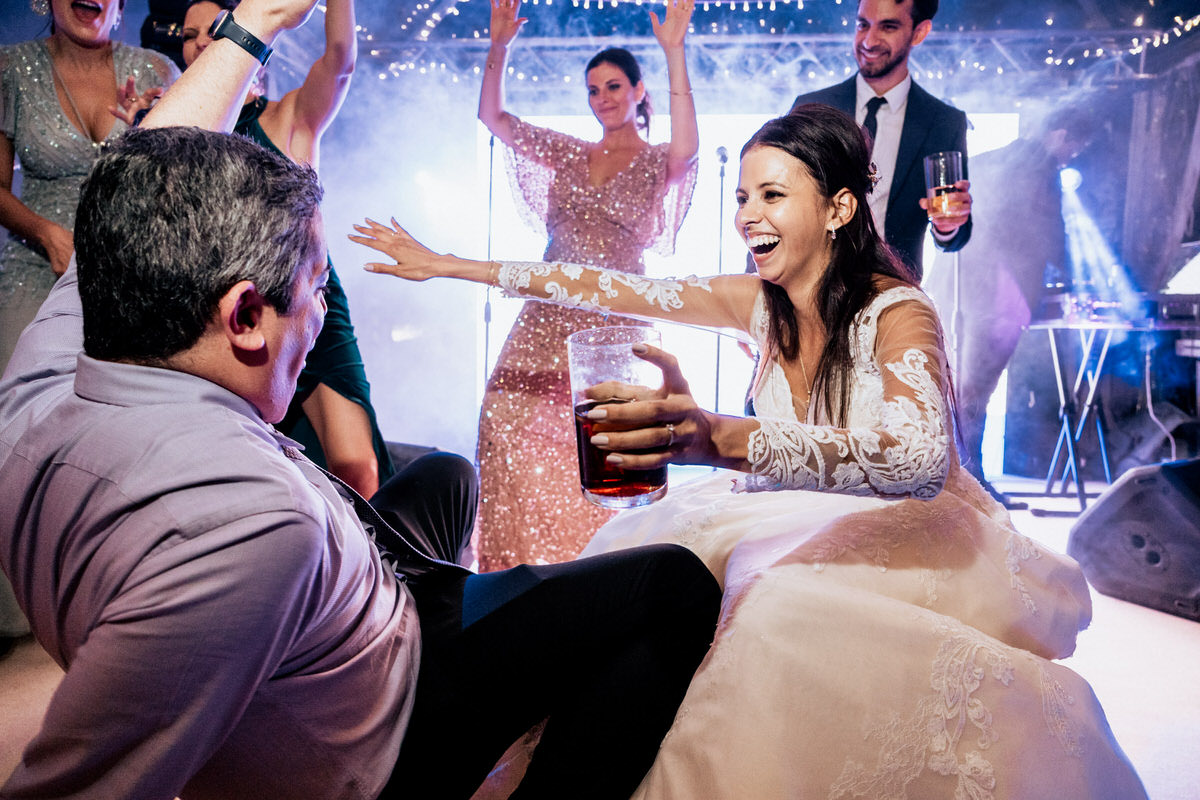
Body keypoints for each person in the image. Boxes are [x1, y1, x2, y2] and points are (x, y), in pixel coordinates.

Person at [0, 3, 721, 796]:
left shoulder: (39, 384)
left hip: (378, 592)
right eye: (315, 288)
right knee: (676, 587)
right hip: (400, 695)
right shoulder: (251, 530)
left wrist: (256, 25)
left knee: (447, 477)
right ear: (244, 316)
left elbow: (122, 192)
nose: (324, 318)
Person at [353, 104, 1148, 799]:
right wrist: (455, 265)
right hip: (768, 517)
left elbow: (919, 462)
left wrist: (718, 439)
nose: (747, 216)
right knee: (632, 582)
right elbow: (596, 283)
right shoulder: (751, 302)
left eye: (772, 196)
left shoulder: (899, 311)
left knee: (768, 625)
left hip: (905, 537)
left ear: (838, 208)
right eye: (742, 196)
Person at [473, 0, 699, 570]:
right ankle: (515, 574)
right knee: (501, 417)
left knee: (608, 445)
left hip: (615, 326)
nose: (604, 98)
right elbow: (493, 119)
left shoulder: (654, 163)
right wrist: (499, 44)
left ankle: (599, 572)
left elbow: (688, 147)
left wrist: (675, 51)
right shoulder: (568, 152)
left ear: (639, 90)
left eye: (615, 86)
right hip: (544, 318)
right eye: (594, 89)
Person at [0, 0, 177, 657]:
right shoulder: (11, 69)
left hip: (126, 270)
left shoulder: (154, 68)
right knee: (26, 430)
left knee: (126, 432)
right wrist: (45, 231)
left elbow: (177, 176)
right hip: (33, 267)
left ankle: (122, 594)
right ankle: (28, 607)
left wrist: (139, 135)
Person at [175, 0, 392, 499]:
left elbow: (340, 59)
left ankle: (370, 569)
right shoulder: (184, 145)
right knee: (259, 465)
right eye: (188, 35)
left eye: (217, 28)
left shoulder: (285, 117)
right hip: (231, 312)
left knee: (355, 464)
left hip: (306, 299)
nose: (202, 40)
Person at [925, 107, 1093, 509]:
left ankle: (953, 478)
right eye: (1076, 146)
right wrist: (1076, 277)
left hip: (952, 288)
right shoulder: (1042, 170)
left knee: (948, 387)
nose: (1074, 155)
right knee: (974, 394)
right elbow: (1049, 233)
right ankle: (971, 485)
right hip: (996, 298)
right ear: (1061, 134)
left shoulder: (989, 158)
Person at [790, 0, 971, 281]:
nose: (869, 40)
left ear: (919, 32)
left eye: (888, 27)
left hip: (895, 298)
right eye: (863, 25)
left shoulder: (943, 122)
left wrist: (948, 224)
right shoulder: (811, 107)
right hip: (810, 290)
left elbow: (954, 238)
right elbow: (781, 201)